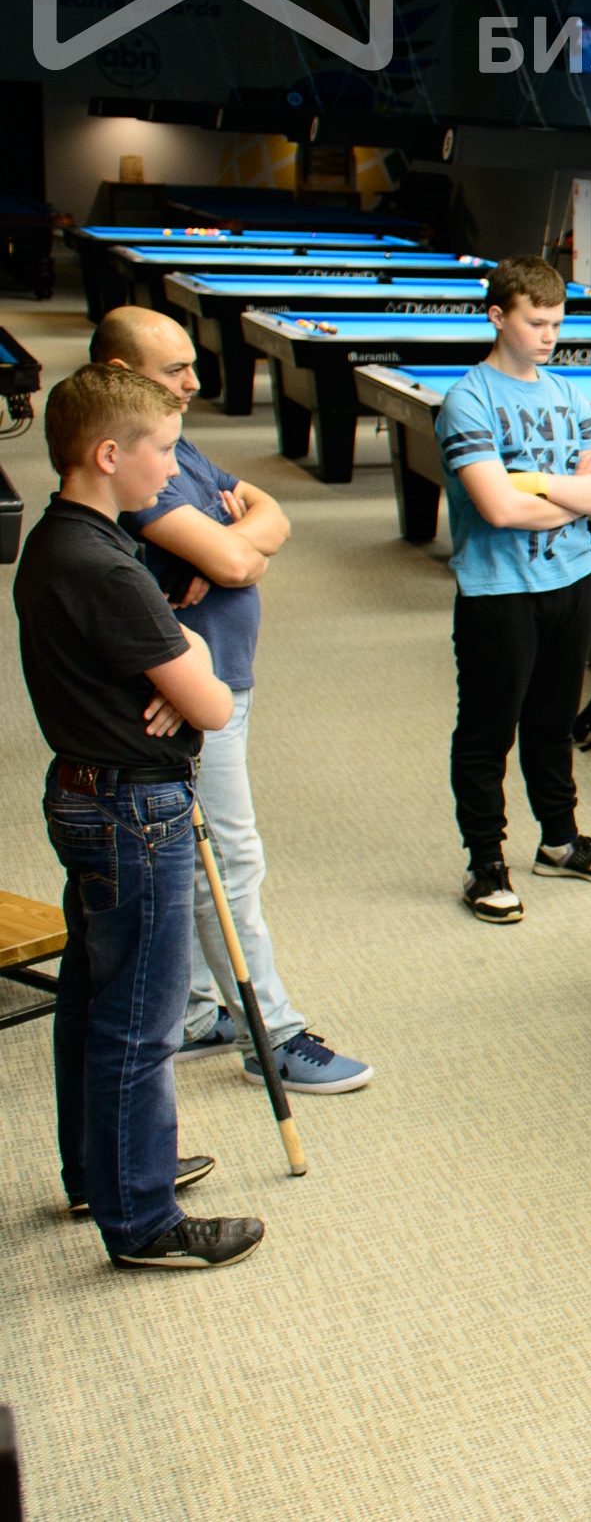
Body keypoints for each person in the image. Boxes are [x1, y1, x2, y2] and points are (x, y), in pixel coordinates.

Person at [19, 363, 263, 1268]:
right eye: (160, 449)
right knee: (139, 1020)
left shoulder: (64, 538)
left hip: (92, 794)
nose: (172, 468)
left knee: (92, 995)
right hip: (133, 810)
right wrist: (188, 662)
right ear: (108, 454)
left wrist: (178, 655)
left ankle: (105, 1170)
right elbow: (210, 704)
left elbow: (176, 658)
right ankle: (145, 1219)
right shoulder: (102, 562)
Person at [98, 307, 372, 1094]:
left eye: (191, 364)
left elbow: (271, 517)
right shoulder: (136, 462)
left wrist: (229, 546)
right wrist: (228, 551)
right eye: (173, 370)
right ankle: (271, 1034)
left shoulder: (174, 444)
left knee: (205, 859)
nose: (194, 382)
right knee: (228, 859)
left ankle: (191, 1012)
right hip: (189, 696)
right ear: (119, 375)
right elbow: (240, 556)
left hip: (220, 680)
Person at [438, 256, 591, 925]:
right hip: (498, 590)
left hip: (572, 580)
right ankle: (485, 862)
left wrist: (538, 489)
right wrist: (576, 495)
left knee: (553, 723)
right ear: (498, 316)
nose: (549, 335)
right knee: (487, 732)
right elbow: (497, 508)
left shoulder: (567, 394)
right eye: (536, 322)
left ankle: (559, 841)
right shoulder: (468, 400)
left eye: (557, 323)